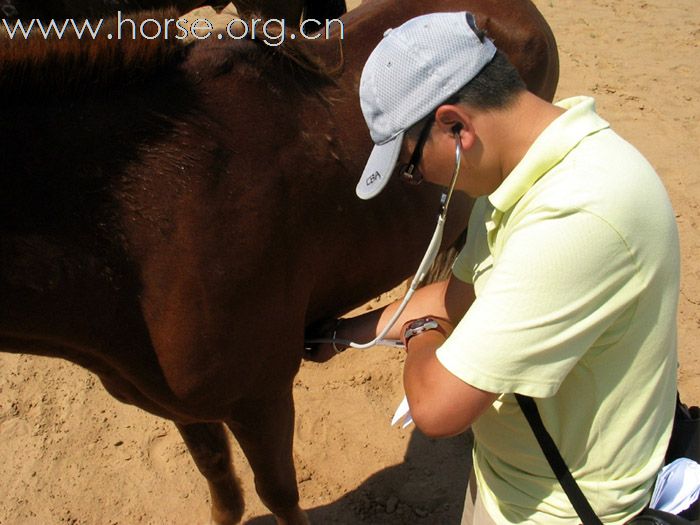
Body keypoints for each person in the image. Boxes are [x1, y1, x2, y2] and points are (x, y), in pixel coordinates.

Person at [305, 11, 681, 525]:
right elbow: (456, 299)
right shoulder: (523, 173)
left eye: (410, 164)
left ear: (454, 125)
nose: (415, 179)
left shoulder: (578, 217)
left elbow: (438, 409)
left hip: (563, 508)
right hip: (511, 476)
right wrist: (345, 334)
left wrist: (419, 332)